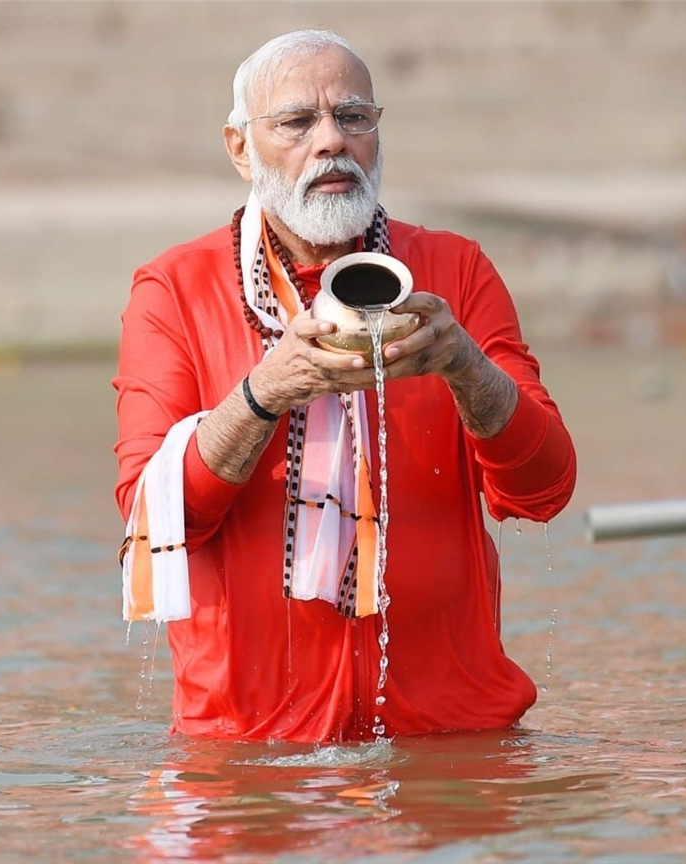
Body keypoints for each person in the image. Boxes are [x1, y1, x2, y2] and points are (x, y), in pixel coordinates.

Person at [113, 29, 576, 743]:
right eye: (297, 122)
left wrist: (463, 364)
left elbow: (545, 490)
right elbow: (155, 519)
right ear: (240, 148)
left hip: (451, 741)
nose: (331, 141)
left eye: (353, 117)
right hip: (252, 748)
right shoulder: (174, 290)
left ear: (377, 133)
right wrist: (267, 390)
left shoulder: (453, 272)